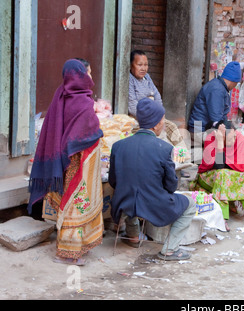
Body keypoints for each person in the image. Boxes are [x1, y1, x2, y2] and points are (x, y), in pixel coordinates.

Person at [28, 59, 104, 266]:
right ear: (79, 76)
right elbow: (88, 133)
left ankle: (76, 248)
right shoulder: (83, 103)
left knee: (71, 202)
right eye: (88, 73)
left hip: (64, 160)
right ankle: (67, 253)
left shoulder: (60, 96)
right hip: (79, 162)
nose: (91, 78)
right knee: (75, 205)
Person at [109, 98, 197, 261]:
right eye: (162, 120)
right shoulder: (165, 149)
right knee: (190, 204)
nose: (164, 124)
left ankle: (133, 235)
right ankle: (170, 250)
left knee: (130, 191)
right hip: (153, 206)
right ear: (156, 124)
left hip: (123, 203)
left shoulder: (118, 146)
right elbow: (171, 186)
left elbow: (113, 181)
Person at [189, 120, 244, 232]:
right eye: (228, 139)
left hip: (230, 174)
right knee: (222, 174)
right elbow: (218, 166)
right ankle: (222, 217)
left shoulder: (239, 138)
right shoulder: (212, 138)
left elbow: (242, 167)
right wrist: (219, 144)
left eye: (233, 137)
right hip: (210, 175)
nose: (233, 141)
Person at [129, 50, 190, 176]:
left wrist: (157, 114)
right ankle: (171, 165)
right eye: (139, 65)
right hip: (139, 118)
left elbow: (157, 97)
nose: (143, 68)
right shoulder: (129, 80)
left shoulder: (147, 78)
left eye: (146, 65)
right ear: (131, 65)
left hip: (154, 116)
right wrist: (151, 115)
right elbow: (132, 105)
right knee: (162, 135)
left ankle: (182, 160)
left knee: (172, 127)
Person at [188, 61, 242, 142]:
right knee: (230, 141)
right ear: (234, 81)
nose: (235, 86)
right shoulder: (217, 90)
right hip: (199, 130)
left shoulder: (219, 87)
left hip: (204, 127)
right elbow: (216, 119)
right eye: (236, 84)